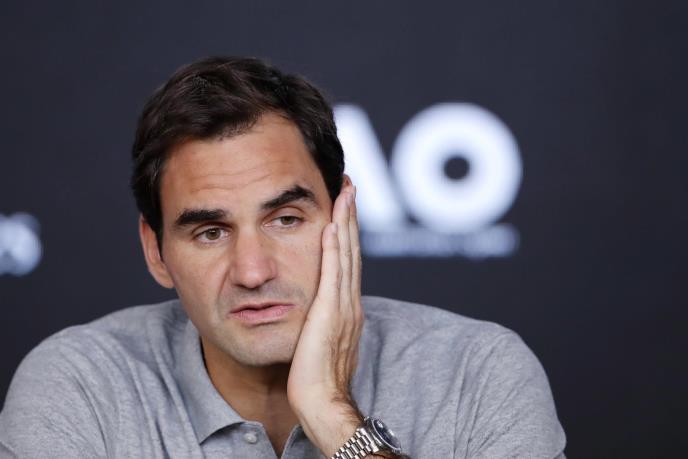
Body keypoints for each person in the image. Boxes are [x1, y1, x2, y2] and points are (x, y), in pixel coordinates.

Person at [0, 56, 566, 458]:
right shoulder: (80, 386)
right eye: (210, 233)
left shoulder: (477, 373)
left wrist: (331, 412)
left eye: (286, 220)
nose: (252, 272)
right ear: (156, 251)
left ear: (344, 216)